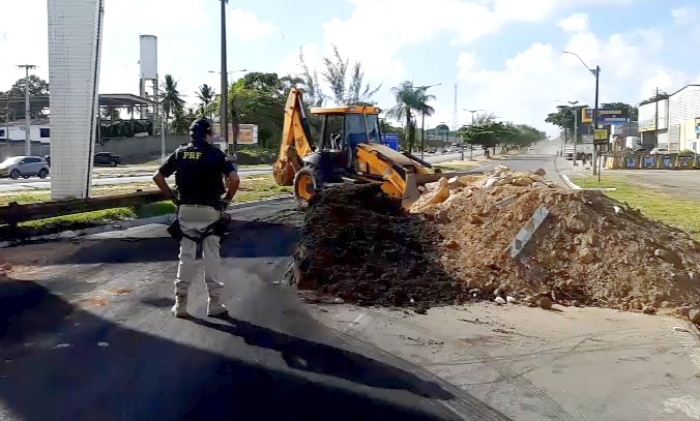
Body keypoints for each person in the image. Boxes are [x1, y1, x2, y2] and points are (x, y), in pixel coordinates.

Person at [153, 118, 240, 318]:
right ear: (208, 134)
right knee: (211, 255)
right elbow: (234, 179)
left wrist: (173, 198)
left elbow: (158, 177)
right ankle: (215, 303)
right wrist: (226, 200)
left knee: (187, 256)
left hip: (186, 210)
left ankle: (180, 304)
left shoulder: (180, 153)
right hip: (210, 211)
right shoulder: (216, 154)